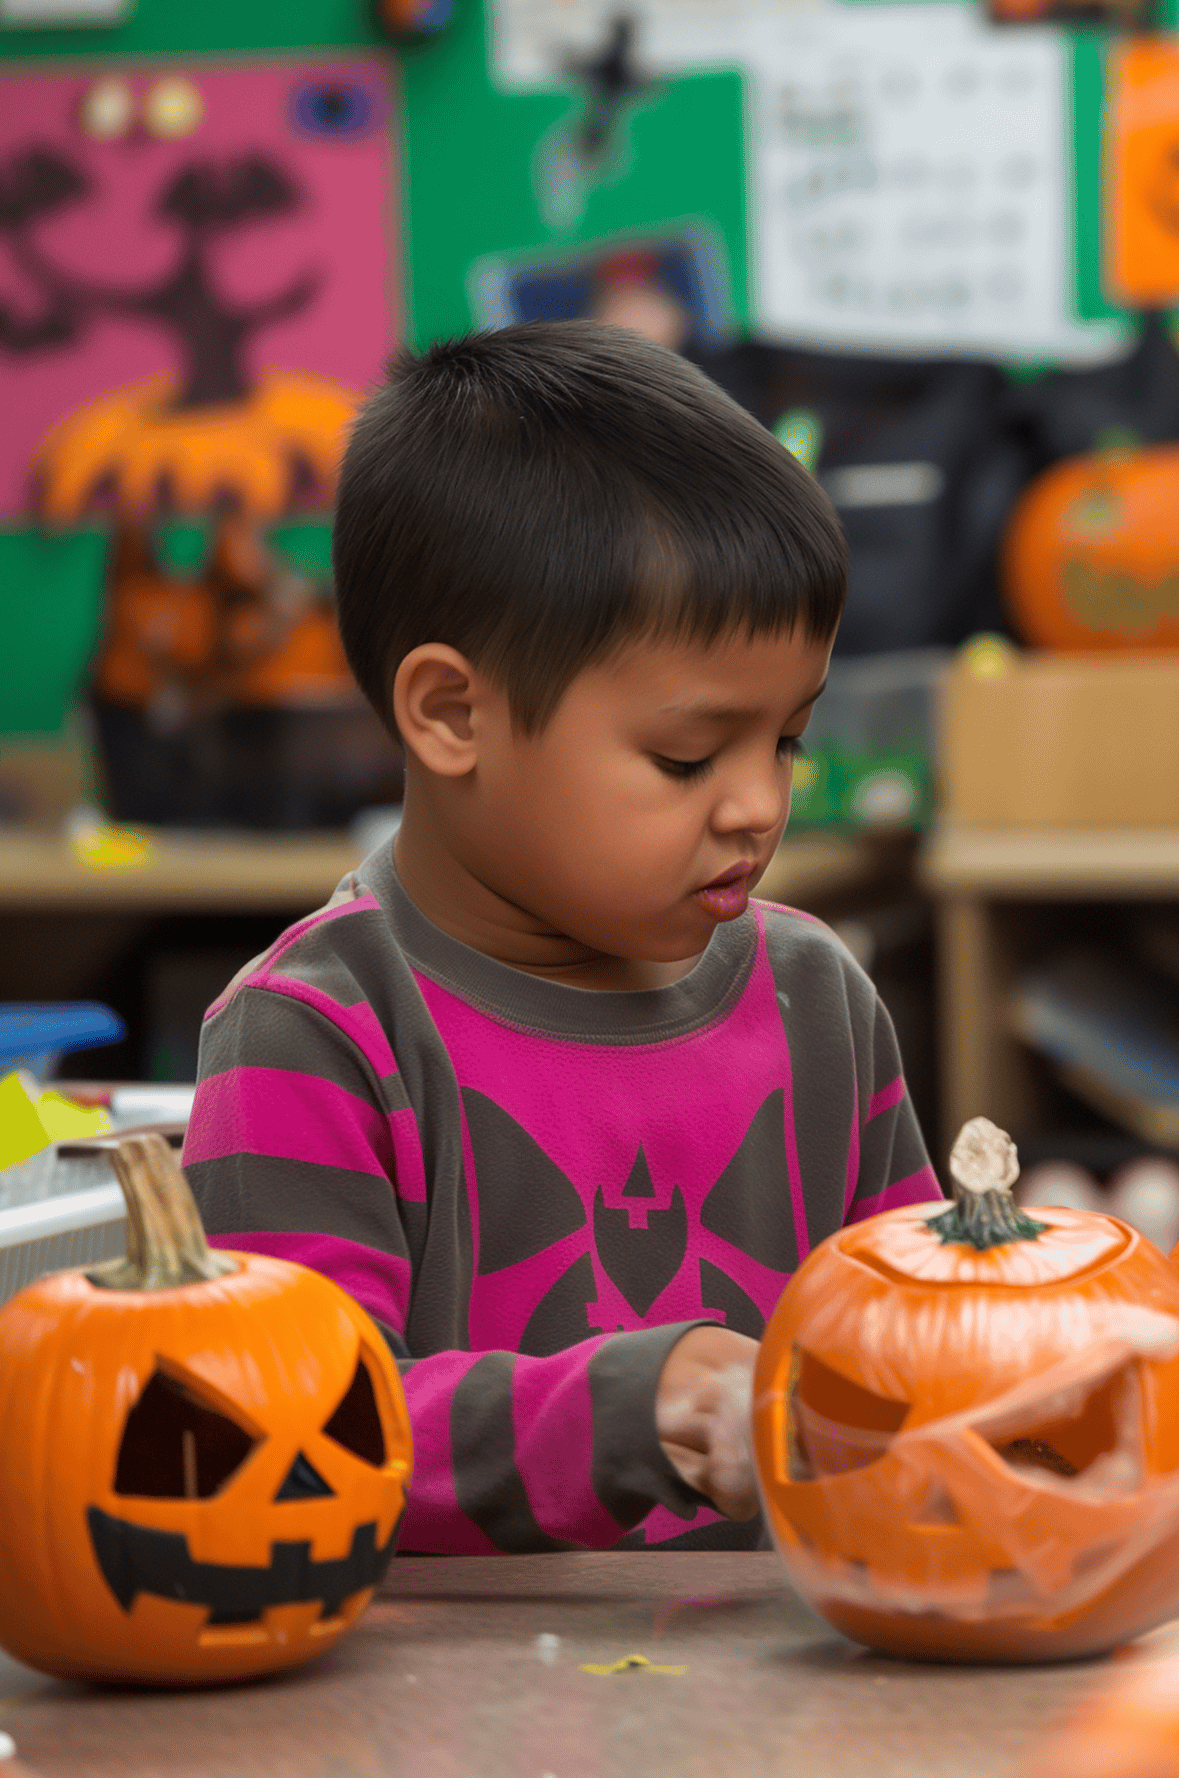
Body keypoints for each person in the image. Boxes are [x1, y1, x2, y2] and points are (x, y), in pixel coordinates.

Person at [187, 322, 939, 1552]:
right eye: (687, 755)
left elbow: (919, 1343)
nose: (758, 802)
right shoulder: (312, 1037)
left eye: (787, 739)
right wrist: (635, 1406)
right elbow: (295, 1428)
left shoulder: (819, 998)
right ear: (452, 713)